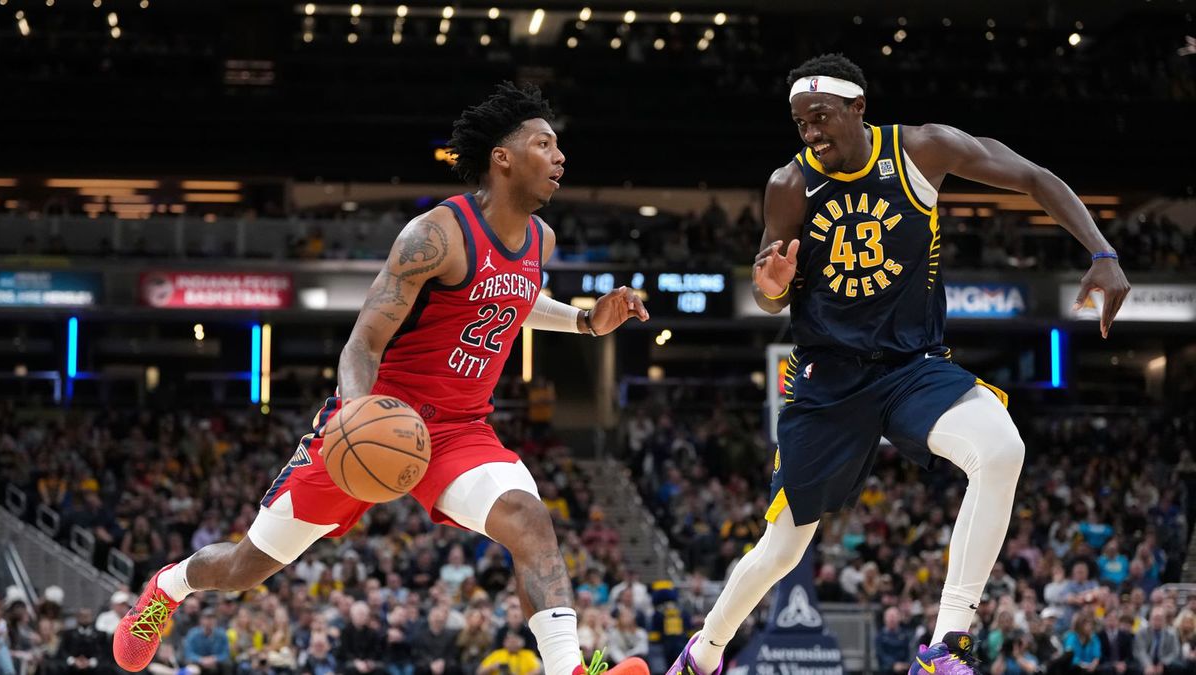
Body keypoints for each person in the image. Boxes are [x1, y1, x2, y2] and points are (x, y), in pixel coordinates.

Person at [112, 82, 650, 675]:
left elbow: (517, 298)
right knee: (246, 568)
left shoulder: (540, 240)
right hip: (381, 417)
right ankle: (169, 585)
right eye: (545, 144)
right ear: (503, 157)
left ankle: (567, 669)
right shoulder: (434, 236)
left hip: (461, 431)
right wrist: (355, 412)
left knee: (528, 519)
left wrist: (583, 321)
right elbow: (363, 341)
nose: (559, 157)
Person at [666, 52, 1131, 675]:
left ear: (859, 107)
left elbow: (1034, 178)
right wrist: (771, 285)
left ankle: (946, 646)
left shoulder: (922, 151)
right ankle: (705, 652)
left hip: (913, 365)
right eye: (801, 122)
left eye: (823, 116)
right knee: (782, 547)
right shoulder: (789, 184)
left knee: (1000, 449)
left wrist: (1101, 250)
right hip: (828, 376)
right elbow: (770, 290)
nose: (812, 132)